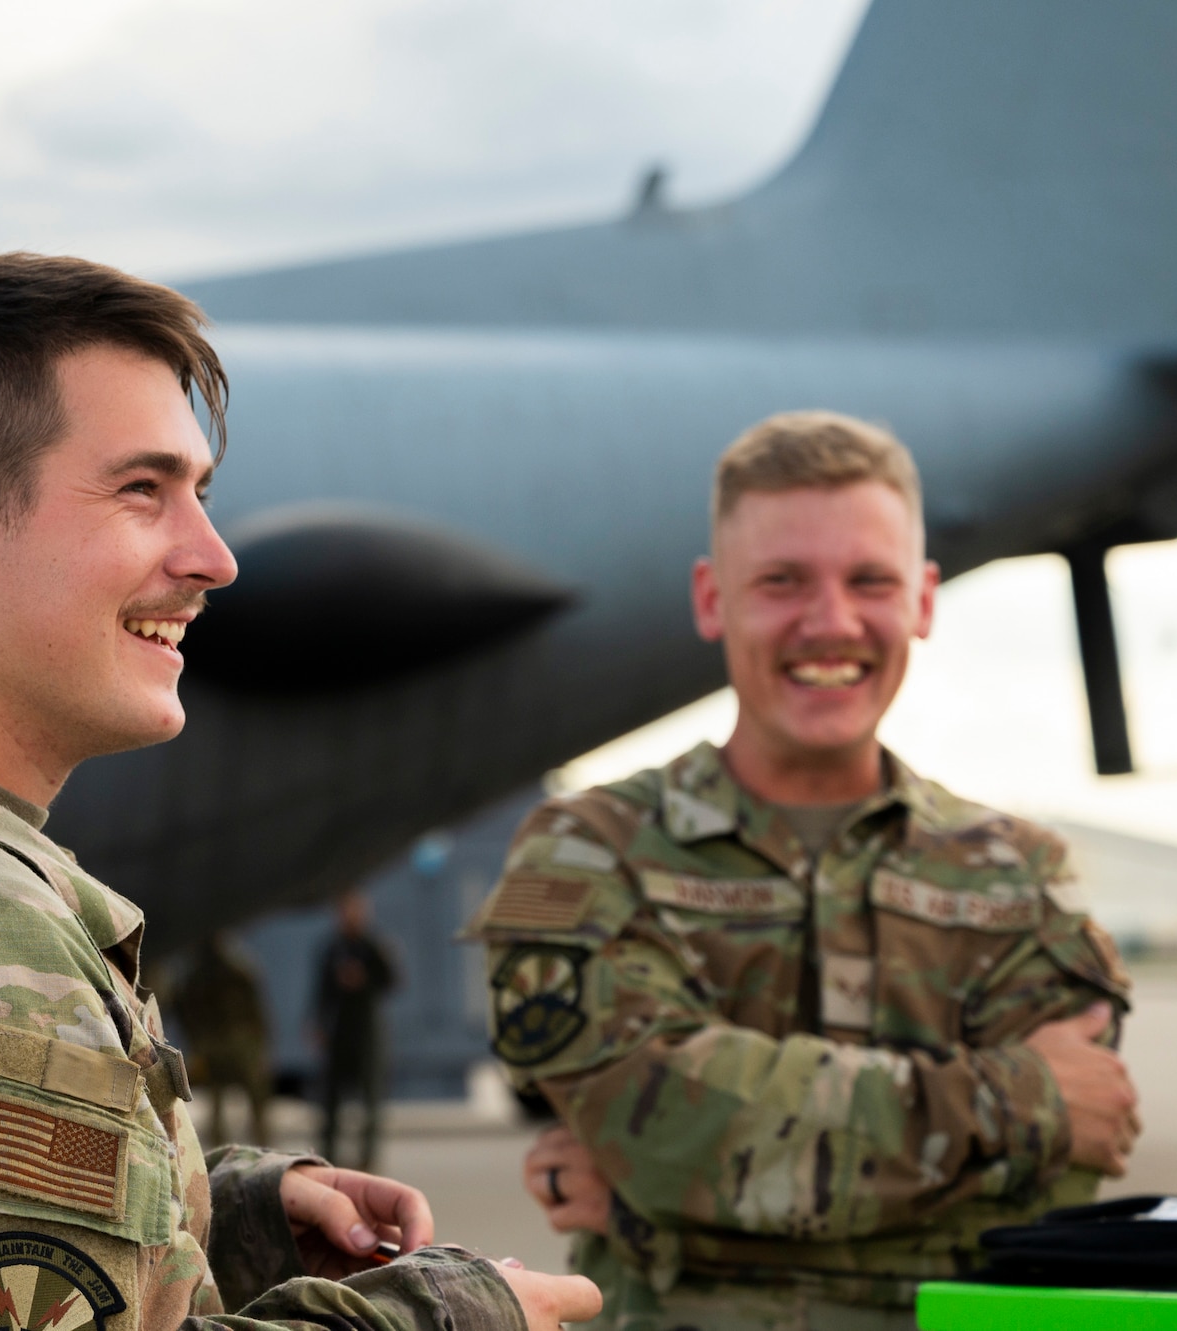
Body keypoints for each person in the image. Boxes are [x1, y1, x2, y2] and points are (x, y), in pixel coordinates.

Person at [0, 254, 600, 1331]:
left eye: (200, 494)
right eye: (142, 489)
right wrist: (454, 1311)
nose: (214, 557)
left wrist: (232, 1214)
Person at [463, 411, 1139, 1331]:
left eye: (871, 580)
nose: (831, 622)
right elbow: (663, 1134)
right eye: (782, 582)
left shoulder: (1020, 872)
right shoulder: (591, 848)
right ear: (712, 599)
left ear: (924, 600)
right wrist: (1019, 1099)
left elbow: (1072, 1161)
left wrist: (669, 1198)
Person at [310, 890, 401, 1171]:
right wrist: (318, 1024)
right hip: (340, 1031)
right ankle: (327, 1156)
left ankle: (368, 1158)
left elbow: (392, 980)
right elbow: (322, 990)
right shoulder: (333, 947)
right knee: (331, 1100)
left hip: (367, 1032)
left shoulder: (373, 945)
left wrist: (364, 977)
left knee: (370, 1099)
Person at [173, 932, 275, 1149]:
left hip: (224, 1046)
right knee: (239, 1103)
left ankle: (225, 1153)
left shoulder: (198, 975)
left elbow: (185, 1013)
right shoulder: (235, 970)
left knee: (228, 1103)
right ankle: (255, 1150)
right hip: (233, 1046)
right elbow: (257, 1013)